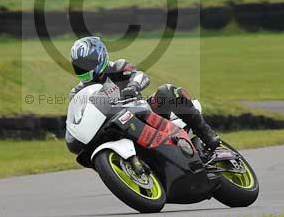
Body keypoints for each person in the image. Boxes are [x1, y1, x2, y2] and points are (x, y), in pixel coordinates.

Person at [68, 36, 220, 152]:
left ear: (100, 58)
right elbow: (77, 115)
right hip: (113, 127)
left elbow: (141, 76)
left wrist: (133, 87)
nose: (83, 69)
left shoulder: (117, 67)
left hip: (144, 113)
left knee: (166, 91)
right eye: (79, 66)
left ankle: (205, 133)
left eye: (86, 64)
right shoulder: (78, 92)